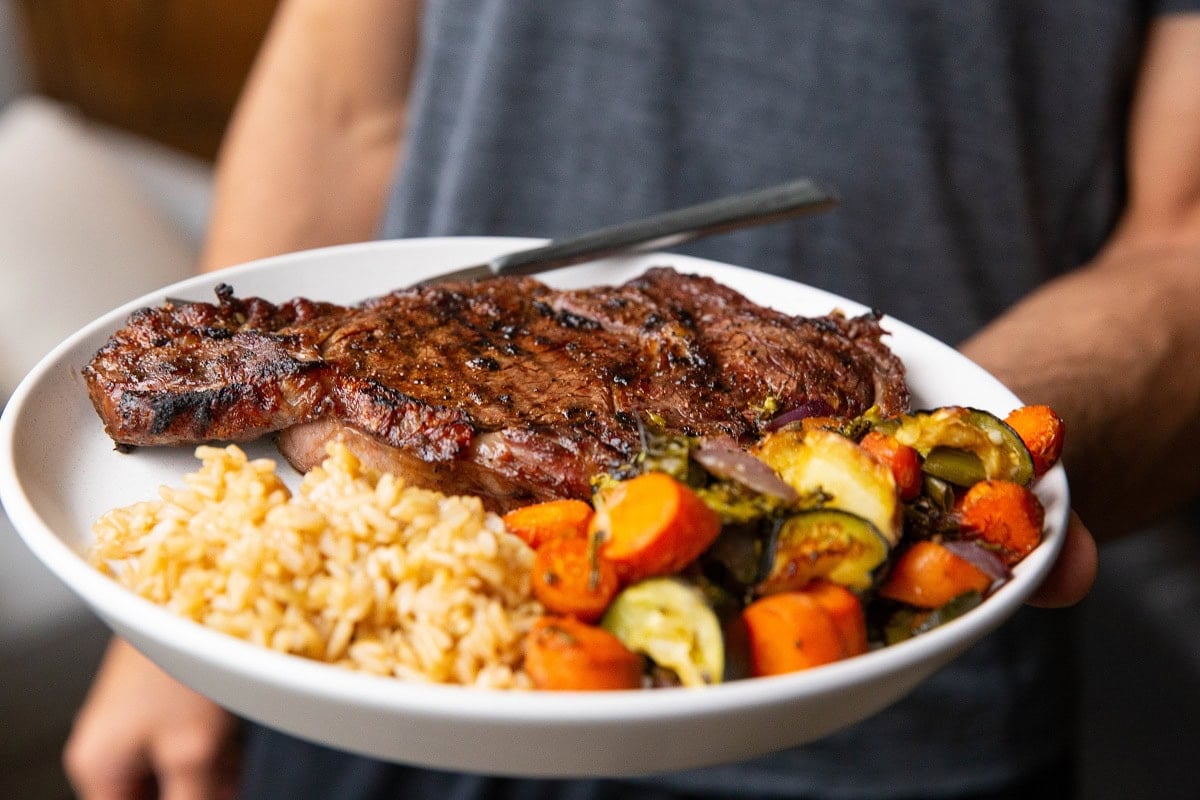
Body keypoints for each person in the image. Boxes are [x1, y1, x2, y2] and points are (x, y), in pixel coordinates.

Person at [64, 1, 1200, 798]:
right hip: (375, 642)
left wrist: (970, 452)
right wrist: (171, 622)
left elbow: (1184, 228)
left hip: (877, 696)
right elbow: (340, 102)